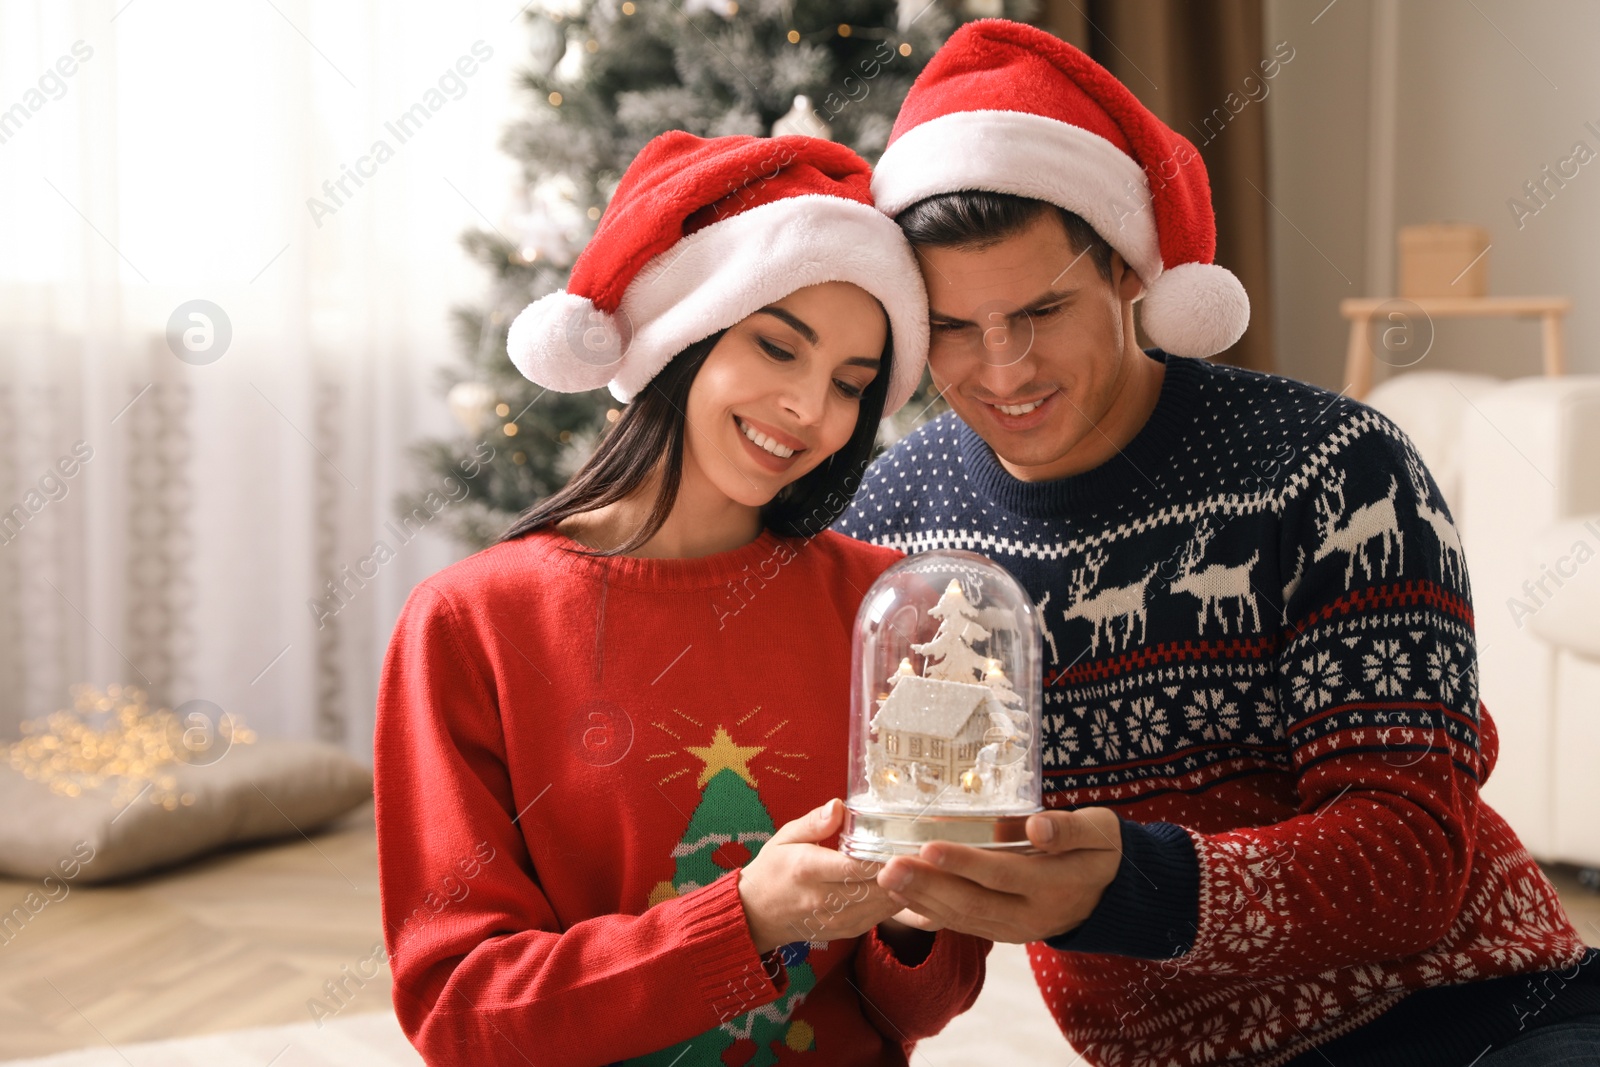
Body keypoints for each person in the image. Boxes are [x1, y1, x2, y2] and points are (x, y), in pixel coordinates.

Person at [835, 19, 1600, 1066]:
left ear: (1130, 274)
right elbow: (914, 952)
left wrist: (1139, 879)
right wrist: (904, 908)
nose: (1002, 368)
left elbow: (1414, 853)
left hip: (1473, 1014)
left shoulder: (1334, 467)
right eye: (954, 327)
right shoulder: (896, 531)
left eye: (1042, 308)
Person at [374, 132, 987, 1067]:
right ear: (681, 336)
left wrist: (915, 913)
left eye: (851, 388)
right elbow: (462, 1014)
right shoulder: (471, 624)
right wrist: (744, 917)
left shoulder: (889, 606)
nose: (811, 411)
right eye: (777, 347)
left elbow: (918, 1002)